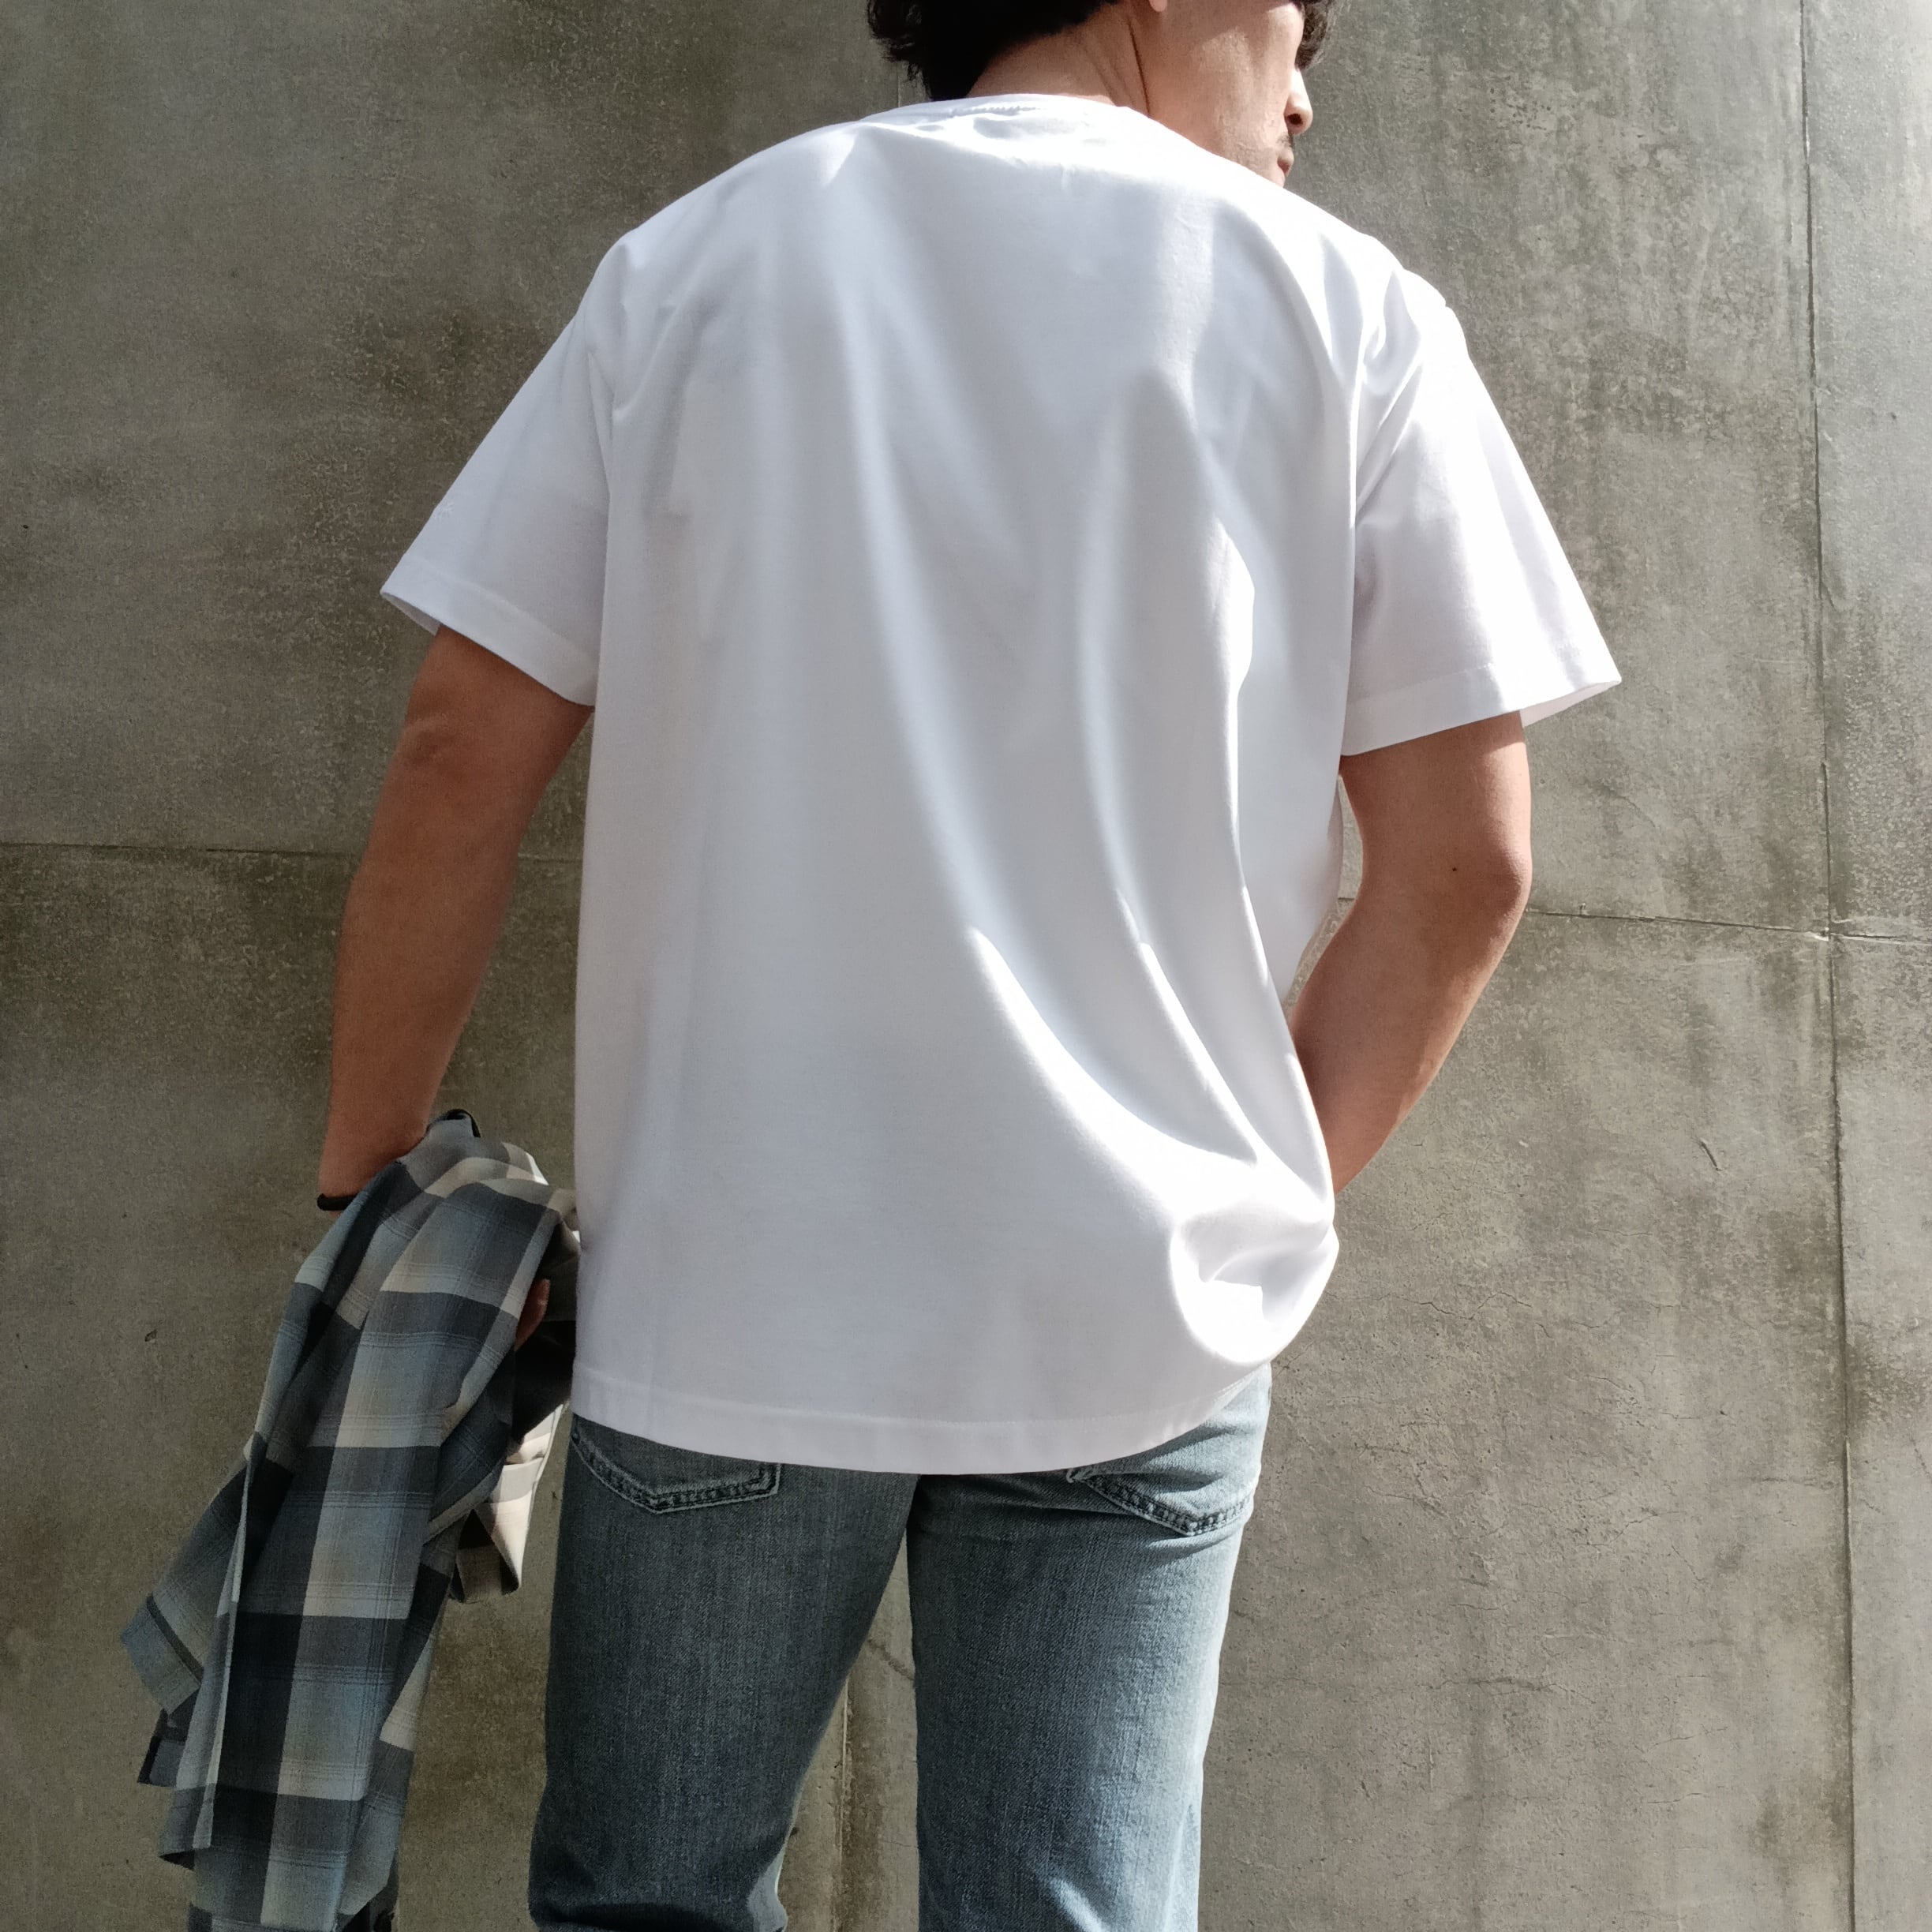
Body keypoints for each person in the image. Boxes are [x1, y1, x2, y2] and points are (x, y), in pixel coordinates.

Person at [317, 0, 1619, 1924]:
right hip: (1139, 1302)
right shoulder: (1348, 312)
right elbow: (1468, 864)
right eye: (1300, 26)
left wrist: (372, 1190)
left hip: (739, 1285)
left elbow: (456, 756)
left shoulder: (705, 261)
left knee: (651, 1900)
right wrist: (1263, 1183)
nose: (1305, 93)